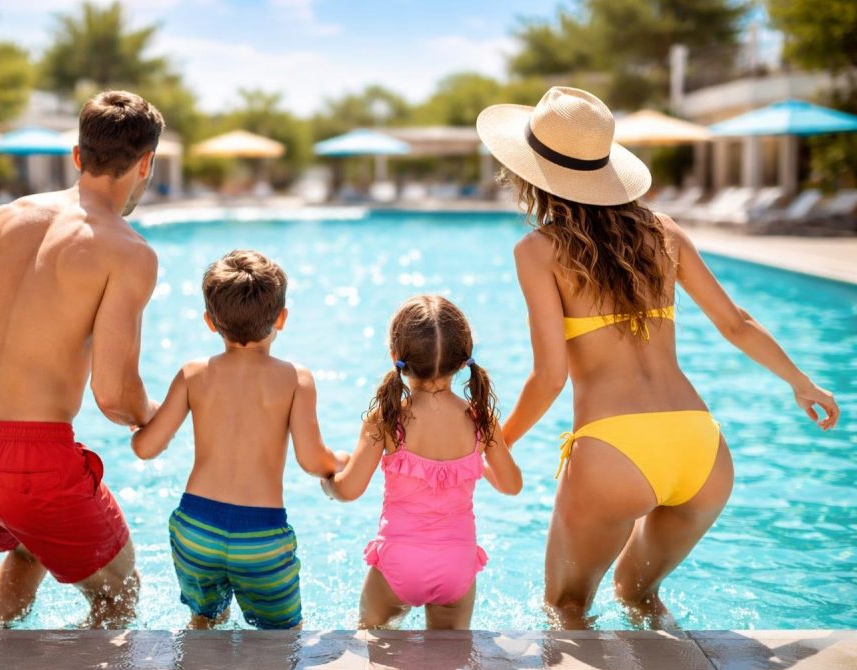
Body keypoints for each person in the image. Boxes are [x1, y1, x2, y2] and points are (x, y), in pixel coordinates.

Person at [476, 86, 840, 628]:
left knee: (567, 608)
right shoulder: (663, 232)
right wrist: (801, 381)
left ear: (530, 173)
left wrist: (495, 440)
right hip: (702, 448)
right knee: (639, 595)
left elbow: (550, 376)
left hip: (613, 450)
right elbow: (735, 323)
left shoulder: (537, 251)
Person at [0, 90, 165, 628]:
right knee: (118, 589)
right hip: (27, 468)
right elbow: (113, 396)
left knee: (29, 544)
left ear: (77, 155)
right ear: (146, 164)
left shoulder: (1, 219)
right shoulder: (128, 253)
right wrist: (158, 417)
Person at [131, 249, 344, 629]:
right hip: (259, 538)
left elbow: (146, 449)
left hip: (196, 530)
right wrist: (338, 463)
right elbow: (312, 461)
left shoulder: (193, 374)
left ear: (210, 323)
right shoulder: (296, 379)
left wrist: (138, 426)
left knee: (205, 623)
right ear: (282, 317)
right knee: (284, 639)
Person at [322, 295, 523, 629]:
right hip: (457, 564)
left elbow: (350, 489)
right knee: (450, 663)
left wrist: (328, 481)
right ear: (463, 361)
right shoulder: (480, 420)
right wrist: (478, 465)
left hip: (399, 562)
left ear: (395, 357)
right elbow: (512, 485)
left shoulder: (386, 418)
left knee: (374, 650)